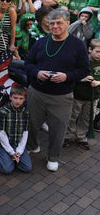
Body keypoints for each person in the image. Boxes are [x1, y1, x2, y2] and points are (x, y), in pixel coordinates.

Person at [25, 9, 90, 172]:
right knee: (32, 123)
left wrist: (67, 76)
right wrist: (37, 73)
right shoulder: (41, 42)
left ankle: (53, 157)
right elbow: (28, 64)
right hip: (37, 92)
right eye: (52, 23)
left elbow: (84, 70)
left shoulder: (78, 45)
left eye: (59, 23)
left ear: (68, 23)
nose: (55, 26)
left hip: (62, 96)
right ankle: (33, 146)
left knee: (58, 129)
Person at [65, 39, 100, 150]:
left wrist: (98, 82)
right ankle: (68, 135)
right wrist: (83, 78)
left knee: (87, 118)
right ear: (90, 50)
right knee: (72, 116)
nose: (99, 55)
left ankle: (81, 137)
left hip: (93, 97)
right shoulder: (82, 61)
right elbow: (72, 75)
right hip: (78, 95)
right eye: (98, 51)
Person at [0, 85, 32, 174]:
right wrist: (11, 152)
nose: (17, 101)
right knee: (7, 170)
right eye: (15, 98)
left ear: (24, 99)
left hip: (18, 145)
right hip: (4, 145)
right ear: (10, 97)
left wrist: (19, 151)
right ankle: (0, 156)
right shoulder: (3, 111)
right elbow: (1, 132)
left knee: (27, 168)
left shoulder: (26, 112)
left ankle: (12, 159)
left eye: (21, 98)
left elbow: (25, 132)